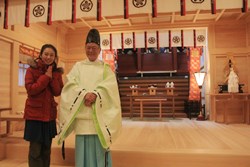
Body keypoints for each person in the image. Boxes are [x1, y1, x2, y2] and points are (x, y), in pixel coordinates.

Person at [58, 28, 122, 167]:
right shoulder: (78, 66)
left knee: (99, 150)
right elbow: (70, 85)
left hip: (99, 118)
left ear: (99, 50)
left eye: (94, 48)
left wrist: (96, 95)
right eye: (88, 48)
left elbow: (110, 88)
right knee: (83, 151)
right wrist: (83, 94)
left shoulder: (105, 69)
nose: (91, 51)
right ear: (85, 48)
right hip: (82, 117)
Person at [23, 44, 64, 167]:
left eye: (51, 55)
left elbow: (57, 92)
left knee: (46, 150)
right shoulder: (31, 69)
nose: (48, 57)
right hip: (34, 116)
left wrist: (51, 77)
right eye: (46, 54)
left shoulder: (56, 72)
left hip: (49, 117)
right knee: (35, 151)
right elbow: (31, 89)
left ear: (55, 58)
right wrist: (46, 77)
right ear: (40, 55)